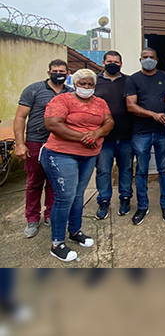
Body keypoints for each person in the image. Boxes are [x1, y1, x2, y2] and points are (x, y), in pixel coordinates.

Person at [40, 69, 114, 262]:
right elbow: (53, 124)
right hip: (61, 154)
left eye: (90, 84)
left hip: (88, 156)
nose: (87, 87)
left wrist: (96, 134)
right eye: (83, 84)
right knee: (65, 197)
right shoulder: (62, 100)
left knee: (78, 195)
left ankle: (75, 231)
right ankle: (57, 243)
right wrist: (83, 137)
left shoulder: (100, 102)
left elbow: (109, 122)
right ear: (75, 84)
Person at [13, 59, 71, 239]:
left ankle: (50, 215)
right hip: (36, 142)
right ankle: (32, 218)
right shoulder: (34, 90)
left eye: (62, 71)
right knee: (34, 182)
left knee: (55, 182)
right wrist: (20, 143)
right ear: (48, 73)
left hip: (60, 143)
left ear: (68, 74)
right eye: (55, 71)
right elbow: (20, 117)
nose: (58, 74)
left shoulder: (71, 93)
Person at [125, 48, 165, 225]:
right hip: (141, 132)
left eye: (151, 57)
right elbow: (131, 106)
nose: (148, 59)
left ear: (157, 59)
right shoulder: (133, 79)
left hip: (163, 132)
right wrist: (154, 115)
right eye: (145, 57)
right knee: (141, 171)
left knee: (164, 170)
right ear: (140, 59)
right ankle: (142, 206)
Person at [94, 51, 134, 219]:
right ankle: (104, 201)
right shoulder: (94, 81)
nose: (113, 64)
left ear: (121, 64)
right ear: (103, 63)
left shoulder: (129, 81)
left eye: (116, 62)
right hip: (103, 137)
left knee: (126, 169)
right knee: (103, 170)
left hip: (126, 135)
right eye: (109, 61)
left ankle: (125, 199)